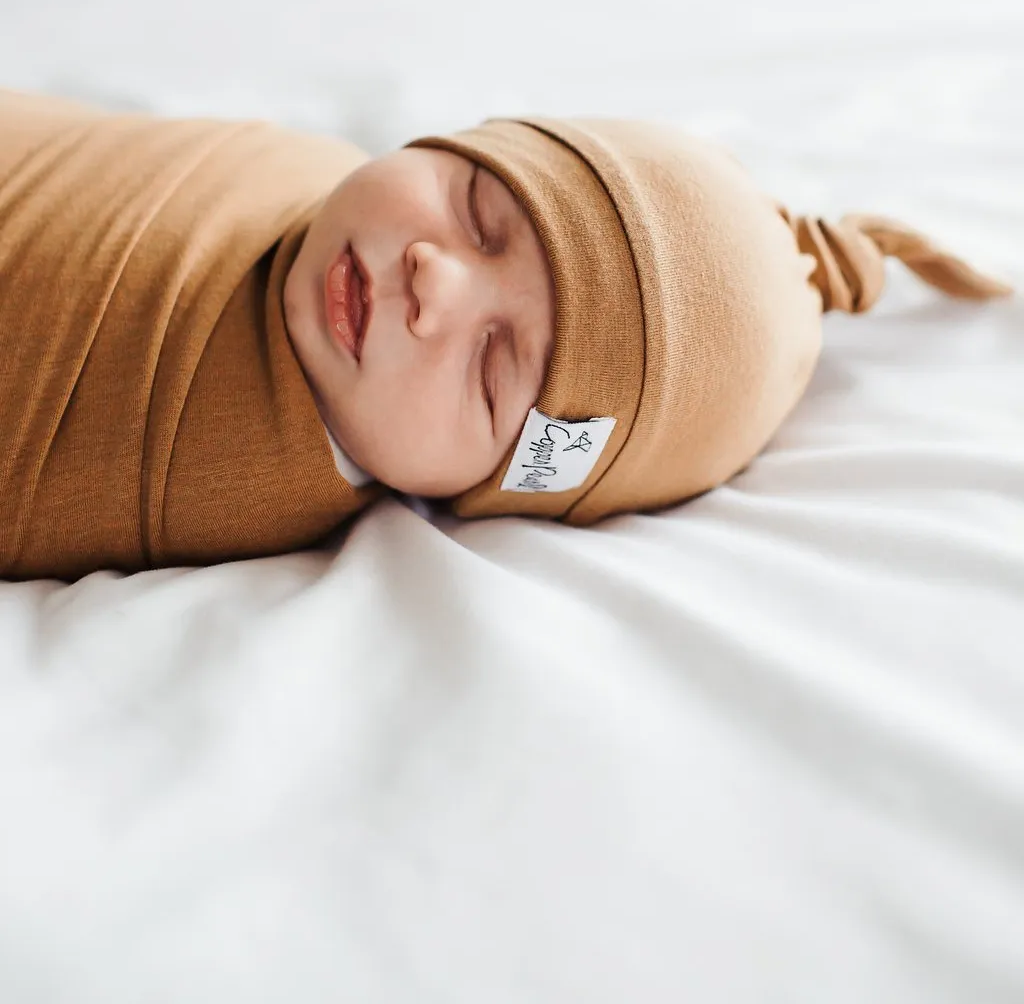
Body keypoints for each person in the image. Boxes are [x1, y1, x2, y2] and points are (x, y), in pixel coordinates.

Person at [0, 90, 1011, 582]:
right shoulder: (297, 168)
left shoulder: (206, 467)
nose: (430, 283)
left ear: (503, 487)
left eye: (491, 368)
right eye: (478, 208)